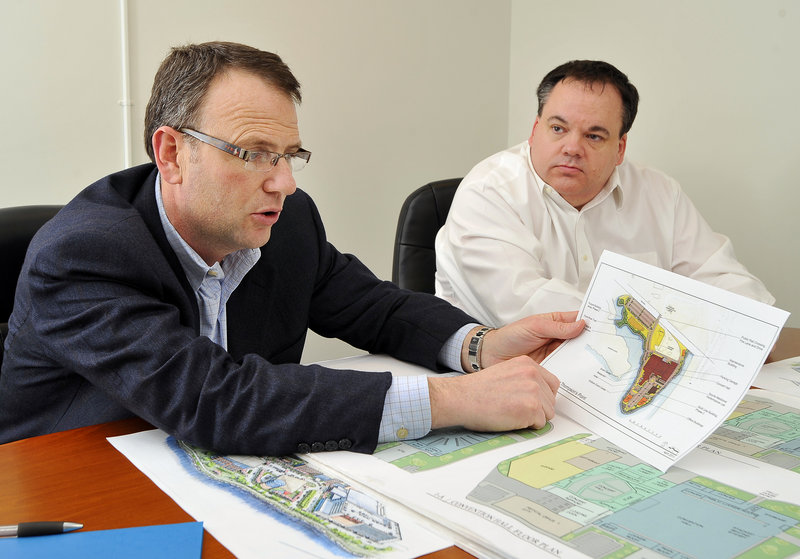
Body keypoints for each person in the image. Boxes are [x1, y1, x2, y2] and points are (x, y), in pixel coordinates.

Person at [0, 42, 584, 455]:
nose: (284, 182)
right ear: (173, 154)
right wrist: (452, 399)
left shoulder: (287, 222)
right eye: (253, 152)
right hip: (72, 490)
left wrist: (481, 346)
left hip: (224, 474)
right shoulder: (82, 255)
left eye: (288, 154)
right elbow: (216, 399)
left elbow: (373, 307)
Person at [434, 60, 775, 328]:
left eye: (594, 136)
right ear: (535, 130)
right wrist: (676, 325)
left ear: (620, 147)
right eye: (558, 128)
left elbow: (726, 283)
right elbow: (532, 312)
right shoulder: (488, 192)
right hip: (499, 386)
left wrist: (752, 327)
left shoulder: (660, 193)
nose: (572, 147)